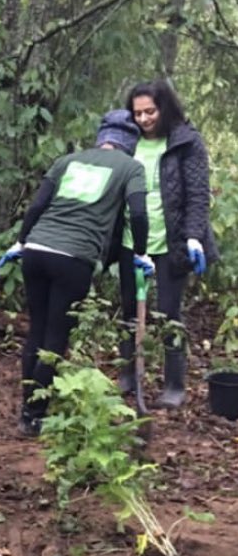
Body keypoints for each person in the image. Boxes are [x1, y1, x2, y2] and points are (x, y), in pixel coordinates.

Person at [0, 110, 151, 436]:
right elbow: (137, 213)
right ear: (131, 142)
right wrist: (140, 252)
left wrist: (20, 242)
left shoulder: (67, 160)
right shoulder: (131, 168)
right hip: (73, 258)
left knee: (36, 330)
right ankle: (35, 415)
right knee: (56, 335)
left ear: (102, 136)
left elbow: (37, 206)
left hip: (36, 250)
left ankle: (28, 412)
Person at [114, 79, 218, 409]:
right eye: (138, 113)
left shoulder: (186, 142)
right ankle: (129, 374)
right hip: (132, 240)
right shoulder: (126, 141)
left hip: (170, 241)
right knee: (128, 308)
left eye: (150, 112)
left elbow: (198, 195)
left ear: (164, 108)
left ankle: (175, 384)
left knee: (169, 312)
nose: (144, 119)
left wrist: (193, 236)